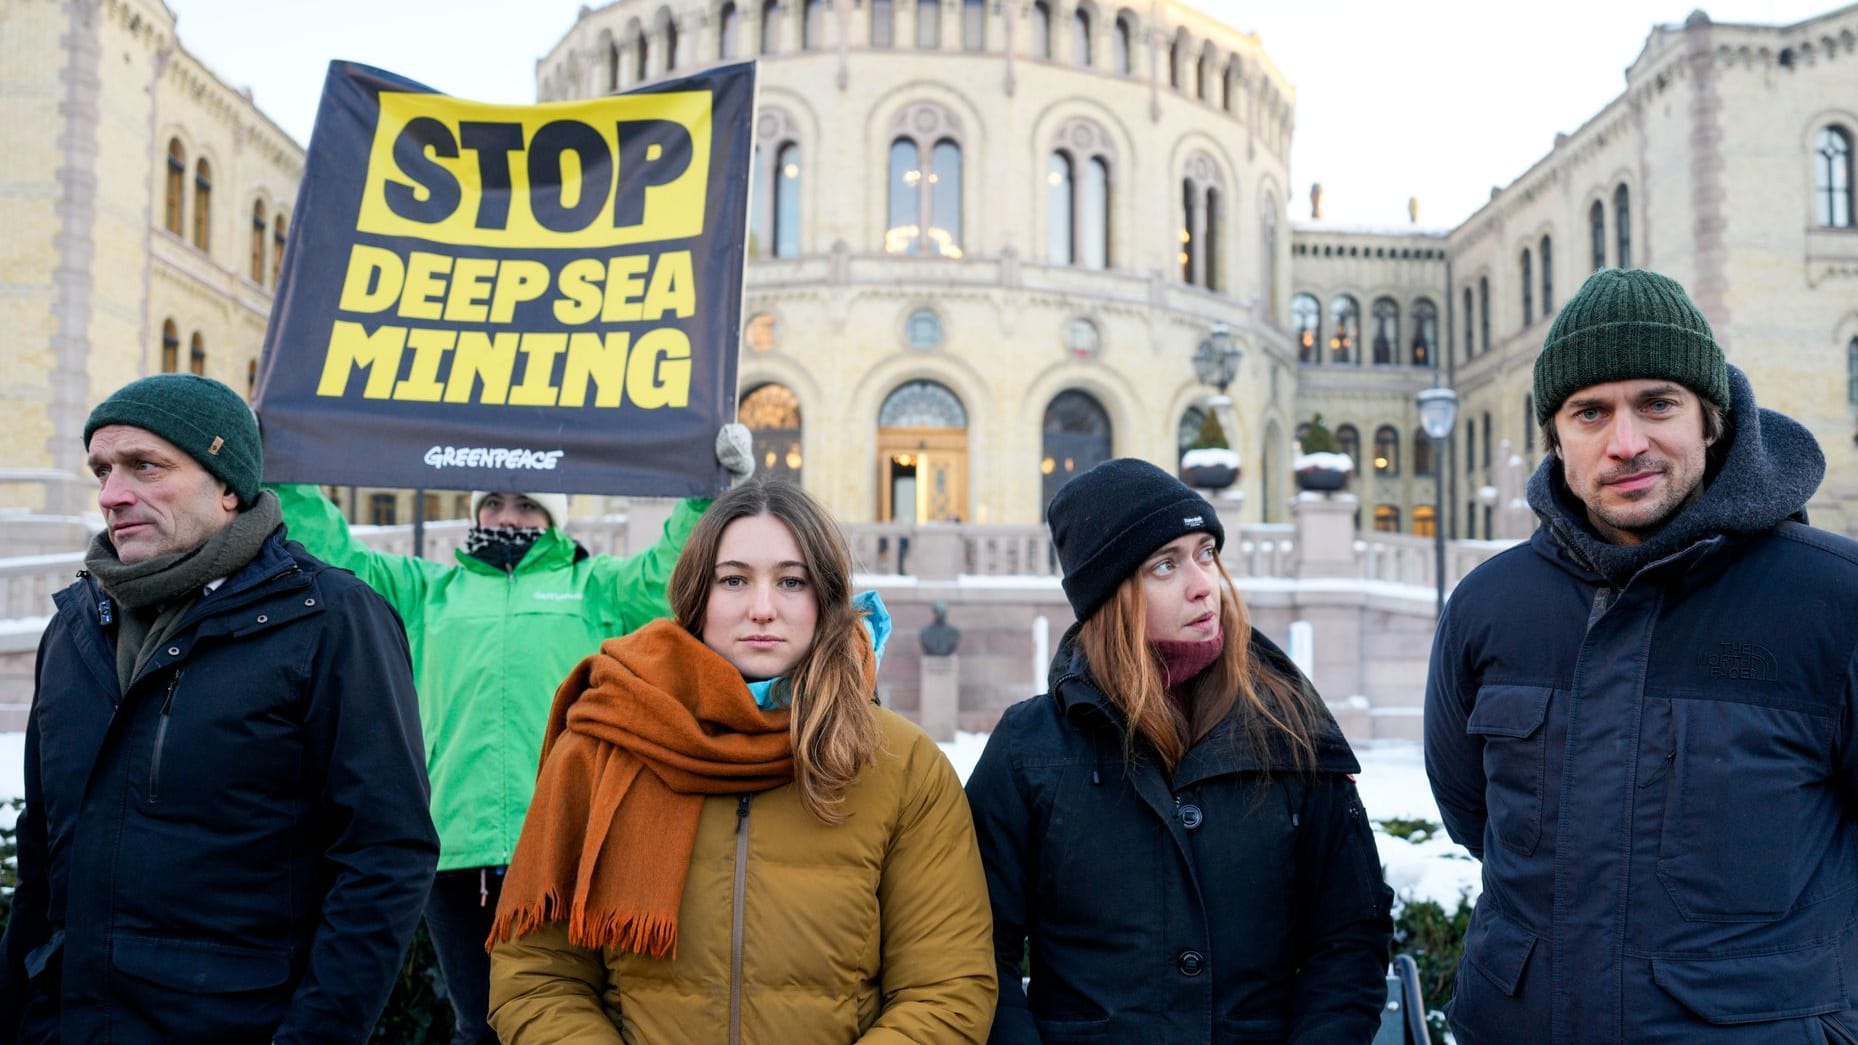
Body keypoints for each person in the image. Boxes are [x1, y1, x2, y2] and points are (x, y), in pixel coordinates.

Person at [1424, 267, 1858, 1042]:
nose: (1626, 443)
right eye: (1590, 412)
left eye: (1657, 403)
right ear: (1556, 437)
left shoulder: (1835, 599)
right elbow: (1471, 810)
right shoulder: (1488, 606)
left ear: (1712, 420)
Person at [265, 424, 751, 1044]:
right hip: (455, 848)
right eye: (494, 502)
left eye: (526, 505)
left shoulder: (594, 586)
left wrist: (708, 494)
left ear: (552, 519)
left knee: (570, 1025)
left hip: (564, 843)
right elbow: (338, 555)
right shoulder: (428, 592)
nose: (508, 515)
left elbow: (672, 570)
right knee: (479, 1027)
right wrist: (279, 468)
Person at [0, 374, 438, 1043]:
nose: (114, 494)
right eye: (103, 470)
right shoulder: (77, 628)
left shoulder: (332, 620)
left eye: (146, 466)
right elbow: (42, 852)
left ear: (228, 484)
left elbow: (385, 856)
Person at [486, 477, 996, 1043]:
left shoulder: (900, 763)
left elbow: (946, 990)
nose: (762, 609)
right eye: (733, 580)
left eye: (791, 581)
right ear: (695, 597)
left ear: (824, 598)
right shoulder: (603, 743)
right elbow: (537, 979)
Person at [967, 458, 1394, 1044]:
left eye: (1206, 553)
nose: (1203, 584)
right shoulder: (1029, 749)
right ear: (1109, 594)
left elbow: (1349, 939)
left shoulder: (1290, 728)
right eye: (1164, 565)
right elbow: (974, 948)